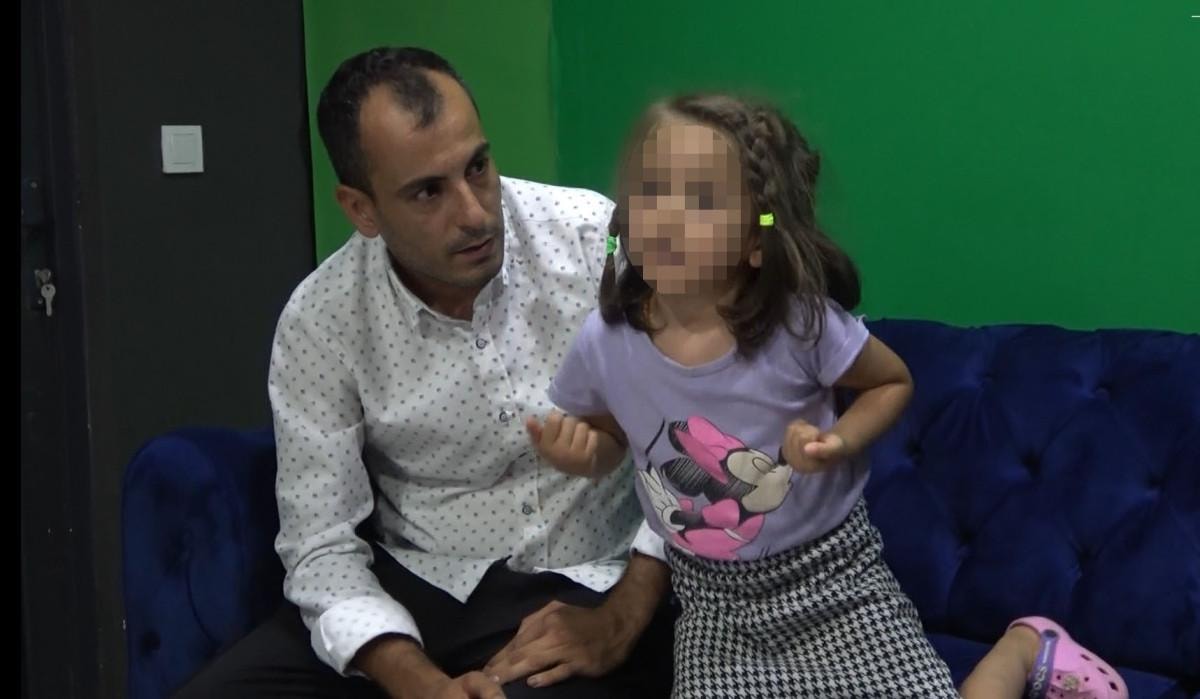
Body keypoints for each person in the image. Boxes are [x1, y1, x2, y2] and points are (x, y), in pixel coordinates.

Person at [527, 92, 1128, 699]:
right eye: (651, 191)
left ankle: (1023, 646)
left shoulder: (798, 326)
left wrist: (839, 440)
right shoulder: (607, 339)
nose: (666, 218)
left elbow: (891, 382)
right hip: (714, 605)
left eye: (702, 200)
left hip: (835, 582)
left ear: (756, 239)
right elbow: (611, 435)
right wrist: (587, 453)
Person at [174, 46, 674, 699]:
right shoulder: (322, 318)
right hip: (420, 587)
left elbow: (708, 434)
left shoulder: (593, 241)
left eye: (478, 167)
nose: (474, 213)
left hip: (591, 581)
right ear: (361, 209)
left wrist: (624, 616)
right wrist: (416, 680)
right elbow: (320, 544)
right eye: (428, 191)